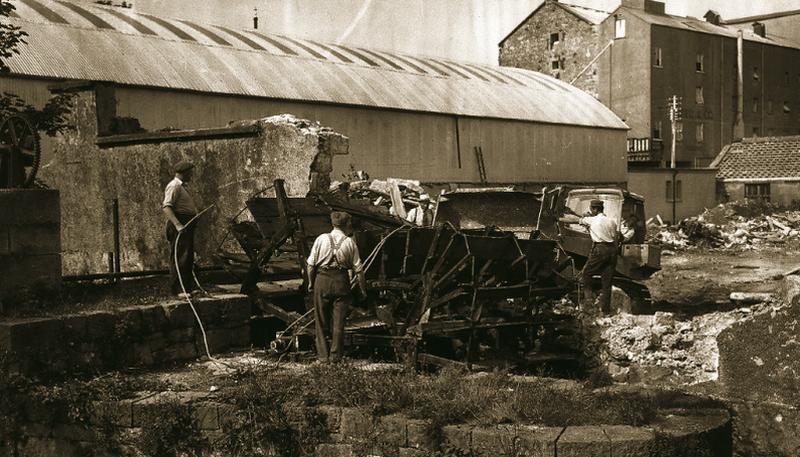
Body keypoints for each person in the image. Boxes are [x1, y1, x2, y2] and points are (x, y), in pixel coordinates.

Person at [306, 211, 367, 362]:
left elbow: (310, 265)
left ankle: (322, 357)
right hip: (341, 281)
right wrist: (363, 290)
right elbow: (359, 270)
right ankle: (335, 357)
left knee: (320, 321)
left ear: (333, 224)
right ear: (347, 224)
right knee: (339, 323)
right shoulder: (349, 242)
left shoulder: (321, 239)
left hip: (322, 279)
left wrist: (310, 283)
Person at [561, 199, 619, 313]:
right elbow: (615, 237)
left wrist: (559, 218)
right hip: (612, 250)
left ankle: (589, 304)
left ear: (595, 209)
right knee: (607, 282)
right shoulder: (611, 221)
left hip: (600, 249)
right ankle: (605, 310)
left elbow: (575, 220)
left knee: (586, 275)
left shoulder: (593, 220)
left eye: (591, 209)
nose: (590, 211)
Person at [163, 160, 199, 298]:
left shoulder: (182, 187)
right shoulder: (174, 186)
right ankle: (178, 290)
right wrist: (178, 224)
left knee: (187, 256)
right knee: (180, 257)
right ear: (184, 172)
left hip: (186, 223)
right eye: (190, 172)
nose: (192, 175)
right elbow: (167, 207)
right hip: (180, 223)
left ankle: (186, 288)